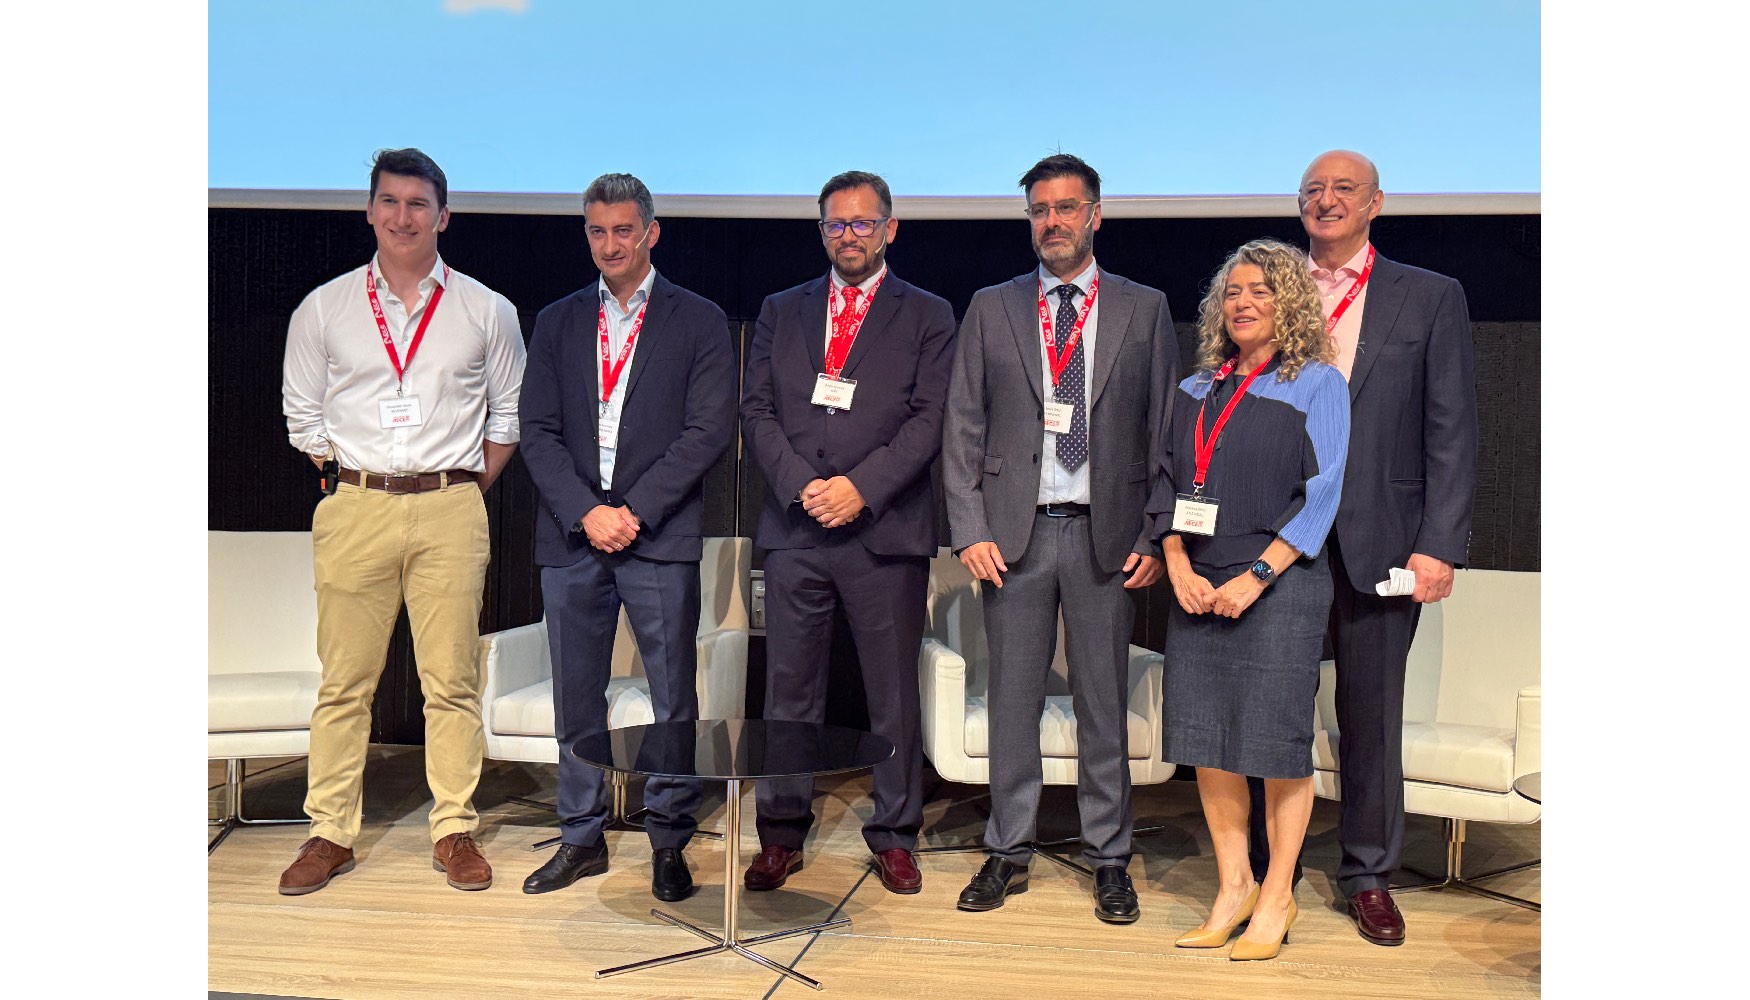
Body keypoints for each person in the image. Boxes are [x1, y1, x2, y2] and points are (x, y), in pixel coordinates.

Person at [1244, 150, 1479, 947]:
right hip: (1277, 537)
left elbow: (1452, 430)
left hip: (1383, 539)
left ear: (1377, 202)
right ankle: (1259, 868)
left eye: (1343, 189)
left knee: (1371, 712)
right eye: (1313, 191)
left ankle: (1368, 874)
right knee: (1269, 708)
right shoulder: (1266, 289)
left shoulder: (1431, 296)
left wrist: (1439, 543)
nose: (1326, 200)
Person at [279, 147, 526, 894]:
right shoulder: (324, 308)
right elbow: (302, 416)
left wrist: (460, 490)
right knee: (345, 682)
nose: (402, 216)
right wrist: (353, 482)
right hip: (356, 505)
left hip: (451, 505)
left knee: (449, 680)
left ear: (443, 216)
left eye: (418, 204)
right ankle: (329, 832)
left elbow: (507, 418)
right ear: (369, 211)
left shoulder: (487, 309)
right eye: (388, 201)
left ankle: (453, 828)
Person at [942, 154, 1176, 924]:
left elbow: (1163, 435)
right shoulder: (992, 306)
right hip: (1016, 539)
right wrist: (969, 528)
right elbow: (963, 429)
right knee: (1013, 700)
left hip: (1107, 539)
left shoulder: (1144, 308)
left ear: (1096, 215)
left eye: (1067, 207)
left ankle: (1109, 855)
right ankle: (1007, 850)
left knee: (1102, 702)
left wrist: (1154, 533)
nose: (1053, 221)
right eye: (1040, 210)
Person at [516, 173, 737, 901]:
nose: (609, 245)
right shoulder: (556, 320)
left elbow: (708, 431)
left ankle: (668, 842)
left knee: (672, 699)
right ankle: (580, 837)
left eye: (622, 231)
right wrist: (587, 512)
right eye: (596, 232)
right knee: (577, 697)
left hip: (657, 537)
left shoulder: (698, 319)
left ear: (651, 232)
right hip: (574, 538)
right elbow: (538, 432)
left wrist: (633, 510)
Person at [740, 170, 957, 895]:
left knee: (891, 690)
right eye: (837, 224)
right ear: (821, 230)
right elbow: (758, 411)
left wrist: (861, 489)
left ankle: (895, 834)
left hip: (883, 530)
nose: (851, 235)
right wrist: (805, 485)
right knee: (789, 691)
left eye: (865, 223)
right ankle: (781, 833)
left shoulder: (928, 313)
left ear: (890, 229)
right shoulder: (780, 309)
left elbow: (931, 418)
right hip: (797, 527)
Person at [1150, 239, 1349, 961]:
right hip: (1197, 585)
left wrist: (1257, 576)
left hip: (1279, 589)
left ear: (1289, 300)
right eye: (1232, 292)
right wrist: (1175, 561)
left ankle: (1277, 895)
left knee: (1275, 745)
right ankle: (1233, 885)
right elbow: (1165, 484)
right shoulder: (1195, 390)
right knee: (1208, 745)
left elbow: (1322, 495)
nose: (1242, 302)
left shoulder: (1318, 385)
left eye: (1260, 290)